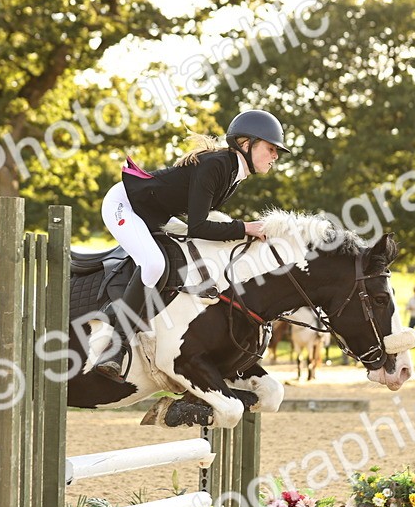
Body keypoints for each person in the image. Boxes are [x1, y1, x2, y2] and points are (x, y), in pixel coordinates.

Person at [87, 110, 288, 381]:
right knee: (154, 263)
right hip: (124, 206)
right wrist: (244, 228)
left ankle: (122, 313)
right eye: (271, 148)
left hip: (153, 214)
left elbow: (200, 229)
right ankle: (116, 346)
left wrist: (243, 232)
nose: (275, 155)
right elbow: (199, 227)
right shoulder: (217, 165)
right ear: (245, 143)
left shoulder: (233, 173)